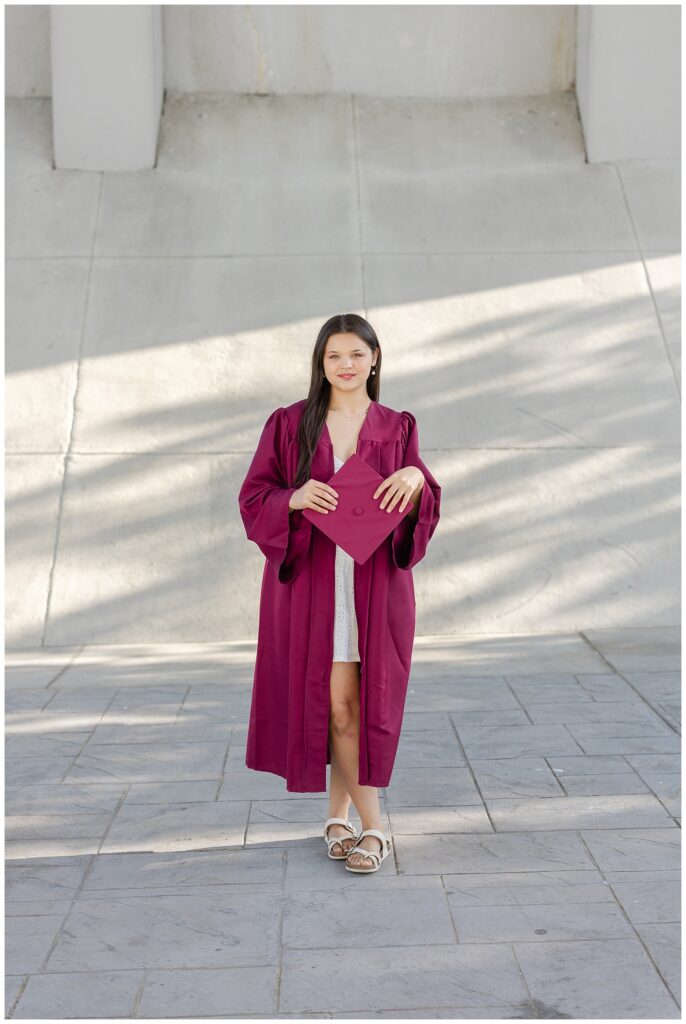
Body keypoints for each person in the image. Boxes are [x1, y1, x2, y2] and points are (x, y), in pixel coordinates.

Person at [238, 313, 441, 872]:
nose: (345, 366)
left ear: (375, 358)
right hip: (313, 586)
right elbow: (256, 496)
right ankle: (374, 828)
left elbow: (420, 490)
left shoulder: (397, 425)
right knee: (338, 704)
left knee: (348, 705)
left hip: (372, 586)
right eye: (333, 356)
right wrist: (294, 499)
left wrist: (418, 479)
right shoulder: (290, 424)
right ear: (319, 363)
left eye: (356, 354)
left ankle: (338, 818)